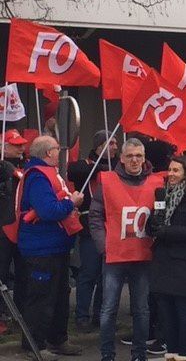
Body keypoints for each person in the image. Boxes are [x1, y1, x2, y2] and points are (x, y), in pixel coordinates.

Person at [89, 138, 165, 361]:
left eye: (139, 156)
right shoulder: (108, 180)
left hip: (142, 254)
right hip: (115, 255)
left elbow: (161, 215)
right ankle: (107, 355)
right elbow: (94, 215)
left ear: (144, 158)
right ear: (121, 158)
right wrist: (104, 246)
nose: (134, 160)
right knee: (108, 309)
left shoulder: (156, 183)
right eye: (130, 156)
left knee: (141, 309)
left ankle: (139, 354)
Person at [17, 135, 84, 361]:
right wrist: (71, 203)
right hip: (41, 248)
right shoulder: (37, 177)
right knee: (41, 297)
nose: (61, 151)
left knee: (59, 296)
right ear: (48, 153)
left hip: (54, 246)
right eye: (57, 148)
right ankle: (34, 345)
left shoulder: (46, 174)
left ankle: (57, 339)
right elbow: (48, 211)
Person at [146, 156, 186, 361]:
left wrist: (166, 231)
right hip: (163, 263)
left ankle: (184, 356)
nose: (171, 174)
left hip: (185, 265)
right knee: (167, 316)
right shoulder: (163, 195)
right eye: (170, 170)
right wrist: (154, 224)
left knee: (183, 315)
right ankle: (171, 355)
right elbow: (152, 225)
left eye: (176, 170)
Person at [67, 130, 118, 333]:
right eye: (111, 143)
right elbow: (74, 171)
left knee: (106, 276)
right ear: (100, 146)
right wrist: (100, 168)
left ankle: (100, 314)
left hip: (112, 225)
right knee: (89, 272)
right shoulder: (87, 165)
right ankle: (82, 316)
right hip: (90, 225)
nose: (116, 146)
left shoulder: (117, 167)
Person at [0, 129, 28, 333]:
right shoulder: (4, 167)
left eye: (21, 144)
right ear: (4, 146)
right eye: (16, 144)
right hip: (3, 228)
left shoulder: (25, 165)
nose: (21, 147)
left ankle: (20, 314)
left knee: (23, 273)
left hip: (22, 227)